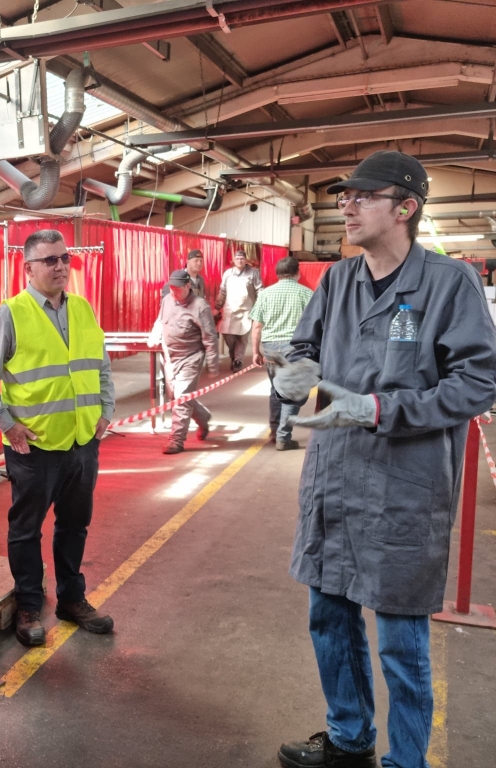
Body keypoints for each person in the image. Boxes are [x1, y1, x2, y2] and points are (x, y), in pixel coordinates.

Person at [271, 151, 496, 768]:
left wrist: (380, 410)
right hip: (335, 478)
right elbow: (304, 346)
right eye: (344, 196)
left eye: (363, 196)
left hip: (405, 483)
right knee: (329, 617)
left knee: (400, 637)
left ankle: (406, 759)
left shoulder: (450, 283)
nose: (345, 205)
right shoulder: (339, 281)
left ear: (406, 207)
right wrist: (295, 371)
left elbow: (477, 384)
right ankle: (348, 736)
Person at [0, 229, 115, 647]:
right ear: (28, 267)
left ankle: (72, 599)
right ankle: (30, 604)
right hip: (33, 446)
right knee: (26, 529)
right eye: (49, 260)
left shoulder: (83, 309)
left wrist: (105, 410)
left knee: (75, 525)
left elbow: (101, 367)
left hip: (82, 442)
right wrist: (8, 424)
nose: (60, 266)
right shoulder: (10, 314)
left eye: (64, 258)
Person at [150, 269, 219, 455]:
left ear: (188, 286)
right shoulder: (167, 300)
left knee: (181, 398)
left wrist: (212, 365)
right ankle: (203, 417)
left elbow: (210, 337)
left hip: (191, 358)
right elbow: (160, 321)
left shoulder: (200, 307)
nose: (173, 292)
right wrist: (155, 335)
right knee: (178, 397)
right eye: (171, 288)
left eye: (177, 289)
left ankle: (176, 440)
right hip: (169, 357)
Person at [250, 256, 314, 451]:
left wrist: (255, 352)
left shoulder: (265, 294)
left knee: (276, 390)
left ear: (277, 274)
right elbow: (315, 324)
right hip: (295, 348)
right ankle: (283, 438)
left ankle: (274, 430)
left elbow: (257, 326)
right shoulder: (307, 294)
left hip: (270, 348)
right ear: (297, 272)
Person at [216, 249, 262, 372]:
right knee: (228, 336)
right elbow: (222, 291)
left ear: (245, 260)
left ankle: (238, 360)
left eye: (242, 258)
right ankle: (234, 355)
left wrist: (260, 306)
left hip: (246, 310)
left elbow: (259, 290)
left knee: (242, 337)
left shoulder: (253, 273)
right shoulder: (227, 274)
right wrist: (217, 306)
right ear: (233, 260)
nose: (240, 260)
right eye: (237, 258)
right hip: (229, 310)